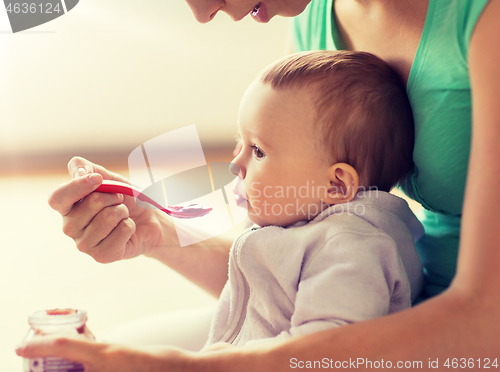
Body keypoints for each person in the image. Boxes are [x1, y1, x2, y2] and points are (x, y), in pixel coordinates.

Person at [16, 0, 500, 369]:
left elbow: (482, 327)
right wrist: (159, 233)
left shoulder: (483, 21)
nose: (202, 12)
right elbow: (283, 278)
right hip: (398, 320)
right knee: (115, 347)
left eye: (257, 151)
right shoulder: (315, 22)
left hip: (457, 342)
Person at [205, 50, 423, 347]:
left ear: (335, 185)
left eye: (258, 151)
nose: (235, 163)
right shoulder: (291, 218)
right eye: (238, 143)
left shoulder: (351, 250)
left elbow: (324, 351)